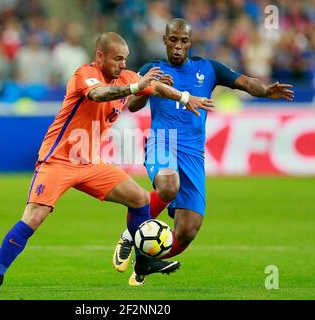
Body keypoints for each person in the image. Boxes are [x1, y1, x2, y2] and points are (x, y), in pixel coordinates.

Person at [0, 31, 215, 293]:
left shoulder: (125, 77)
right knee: (35, 216)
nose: (123, 65)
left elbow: (156, 86)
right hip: (58, 160)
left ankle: (144, 262)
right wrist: (137, 87)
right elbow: (99, 94)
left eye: (125, 59)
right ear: (100, 56)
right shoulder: (84, 74)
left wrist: (184, 97)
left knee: (140, 199)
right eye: (117, 59)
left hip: (90, 162)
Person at [113, 18, 294, 285]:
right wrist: (151, 87)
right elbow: (132, 105)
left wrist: (265, 90)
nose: (177, 46)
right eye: (172, 40)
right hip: (162, 141)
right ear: (165, 40)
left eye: (183, 41)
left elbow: (243, 81)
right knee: (168, 184)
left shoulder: (207, 68)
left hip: (193, 154)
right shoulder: (151, 68)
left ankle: (143, 264)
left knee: (187, 230)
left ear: (190, 43)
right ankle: (130, 234)